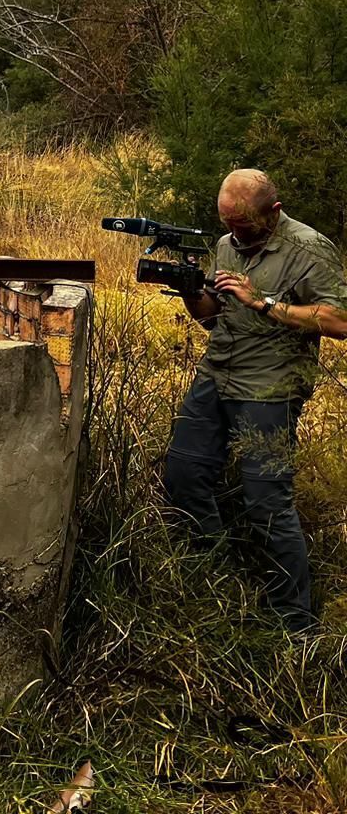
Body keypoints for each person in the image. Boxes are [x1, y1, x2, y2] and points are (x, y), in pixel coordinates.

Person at [167, 168, 347, 632]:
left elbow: (340, 321)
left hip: (270, 386)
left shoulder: (308, 249)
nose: (235, 234)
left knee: (266, 502)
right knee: (184, 475)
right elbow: (213, 315)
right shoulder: (227, 244)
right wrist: (193, 293)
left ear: (274, 211)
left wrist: (263, 302)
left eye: (244, 226)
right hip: (217, 372)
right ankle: (217, 579)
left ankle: (295, 622)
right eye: (229, 223)